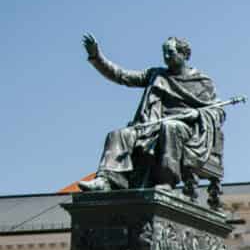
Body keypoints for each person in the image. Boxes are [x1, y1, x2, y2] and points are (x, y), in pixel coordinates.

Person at [77, 35, 224, 193]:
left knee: (170, 127)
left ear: (184, 55)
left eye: (171, 52)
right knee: (119, 134)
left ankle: (166, 180)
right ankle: (106, 180)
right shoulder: (156, 75)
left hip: (186, 131)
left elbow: (218, 111)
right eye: (164, 53)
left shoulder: (202, 82)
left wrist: (196, 114)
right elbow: (121, 75)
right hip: (151, 126)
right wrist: (96, 56)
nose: (166, 57)